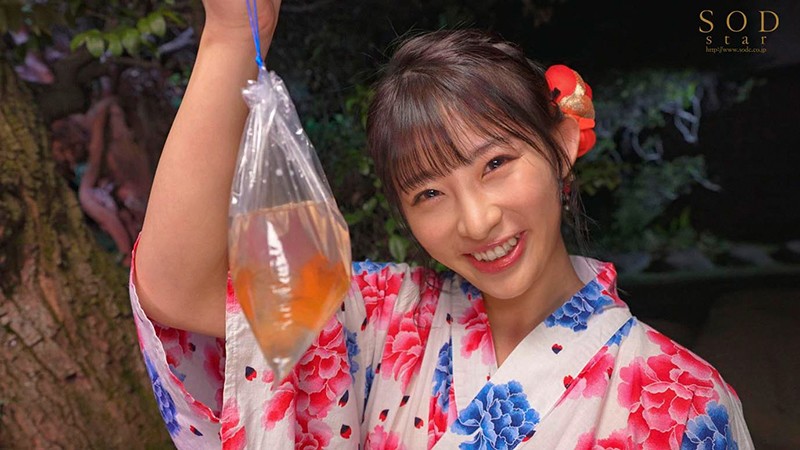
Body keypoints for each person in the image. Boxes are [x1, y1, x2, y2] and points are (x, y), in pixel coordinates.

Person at [130, 0, 754, 448]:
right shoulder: (383, 319)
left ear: (564, 143)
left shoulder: (684, 399)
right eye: (429, 192)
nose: (477, 220)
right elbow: (178, 287)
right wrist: (232, 37)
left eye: (497, 164)